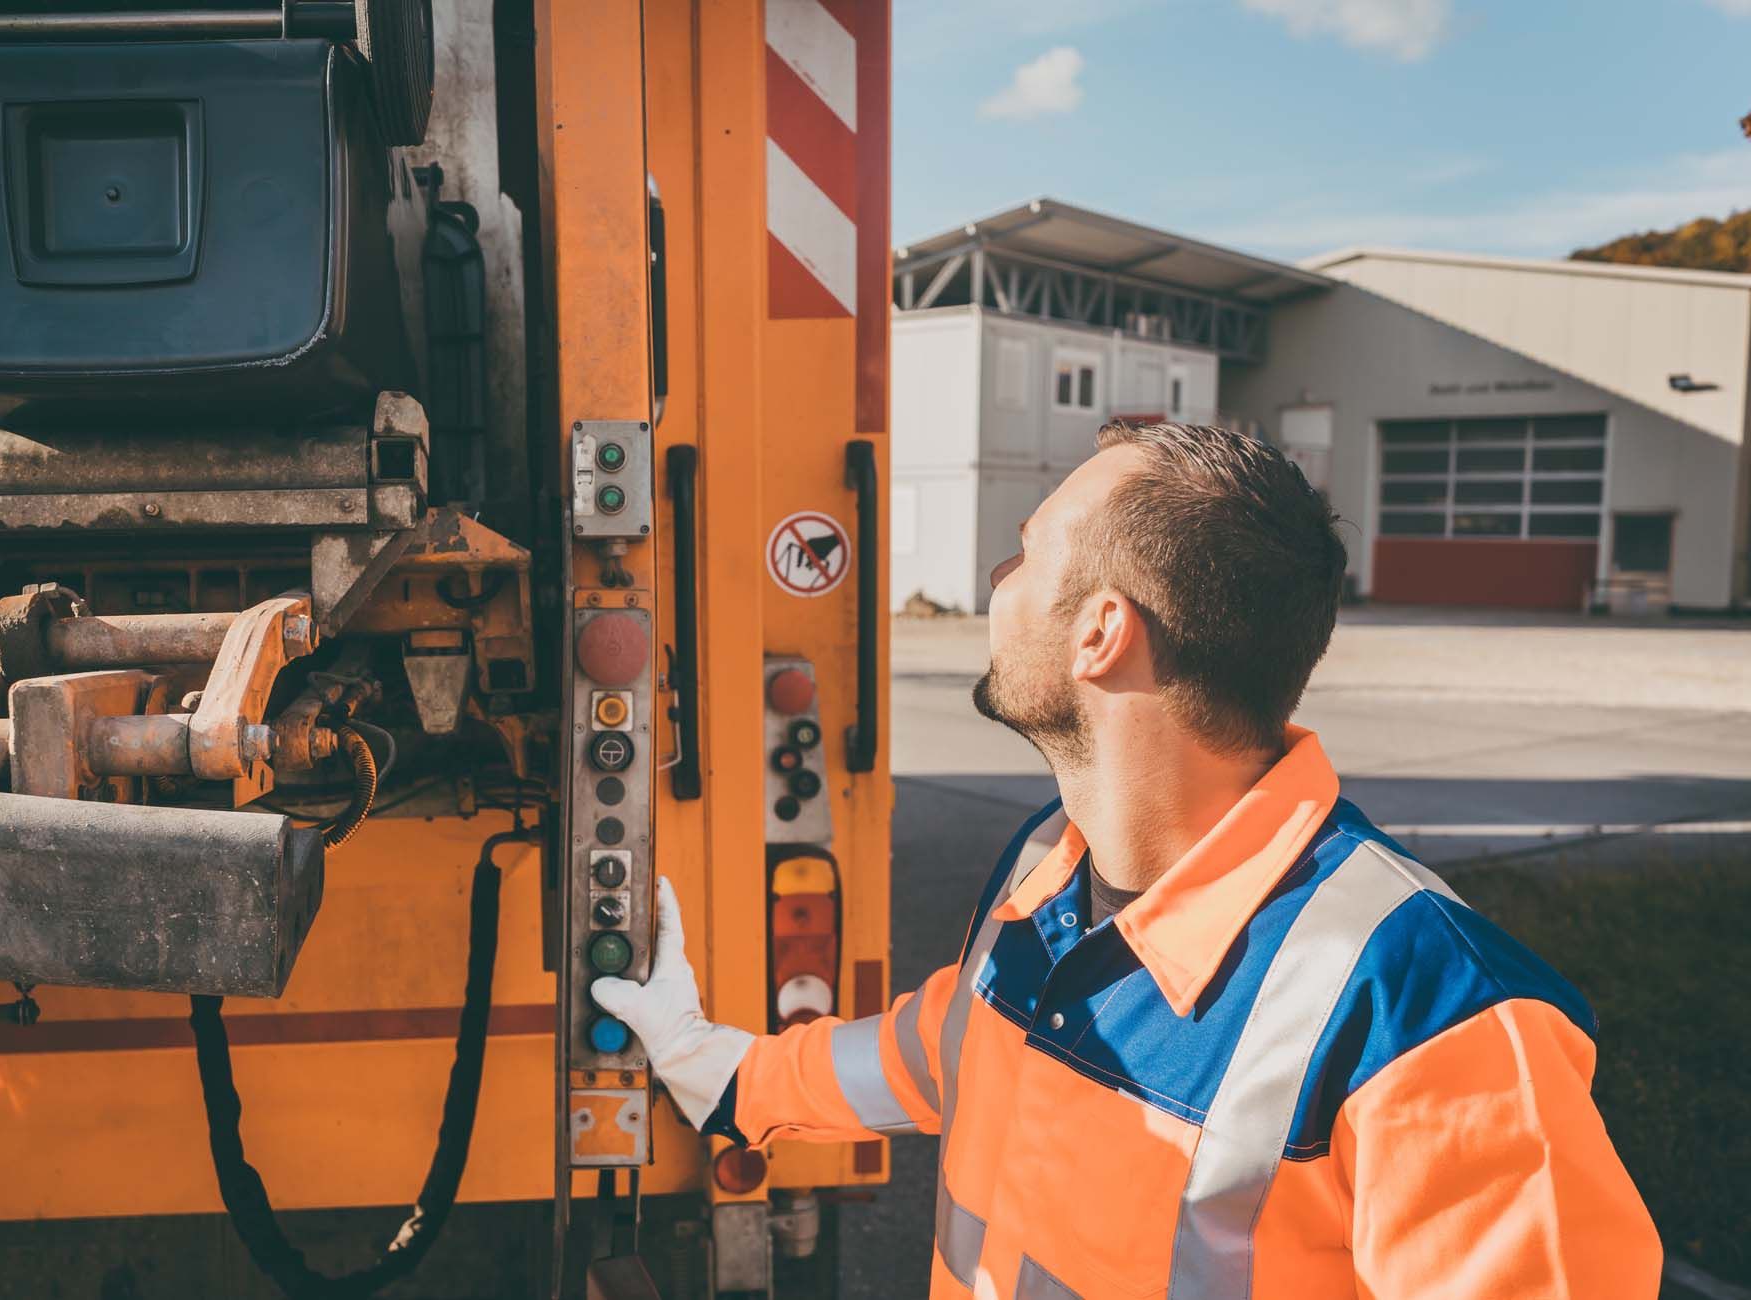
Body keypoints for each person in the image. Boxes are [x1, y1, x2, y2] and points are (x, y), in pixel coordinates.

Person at [593, 422, 1660, 1298]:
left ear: (1100, 631)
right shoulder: (1051, 865)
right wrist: (720, 1068)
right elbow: (952, 1043)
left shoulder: (1437, 1018)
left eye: (1021, 551)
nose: (996, 581)